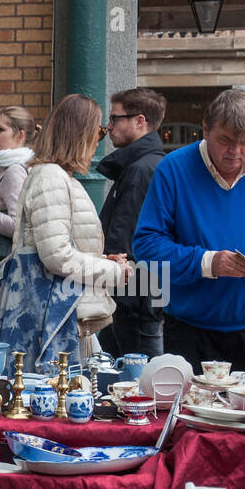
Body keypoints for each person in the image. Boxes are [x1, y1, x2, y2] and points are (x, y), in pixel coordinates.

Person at [132, 89, 245, 371]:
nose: (236, 152)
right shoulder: (173, 168)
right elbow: (145, 245)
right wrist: (208, 262)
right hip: (188, 329)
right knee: (186, 414)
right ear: (205, 130)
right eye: (226, 140)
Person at [0, 94, 127, 372]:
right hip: (50, 317)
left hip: (59, 313)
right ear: (80, 134)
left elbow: (61, 249)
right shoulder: (51, 177)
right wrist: (113, 272)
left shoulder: (56, 176)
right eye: (99, 131)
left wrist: (104, 261)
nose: (99, 141)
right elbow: (57, 257)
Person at [97, 88, 168, 359]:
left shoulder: (142, 169)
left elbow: (126, 239)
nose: (109, 127)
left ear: (139, 121)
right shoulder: (141, 165)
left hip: (135, 297)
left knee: (140, 377)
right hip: (136, 294)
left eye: (115, 119)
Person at [0, 106, 36, 259]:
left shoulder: (14, 170)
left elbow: (18, 226)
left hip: (6, 259)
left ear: (20, 135)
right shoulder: (10, 166)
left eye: (0, 130)